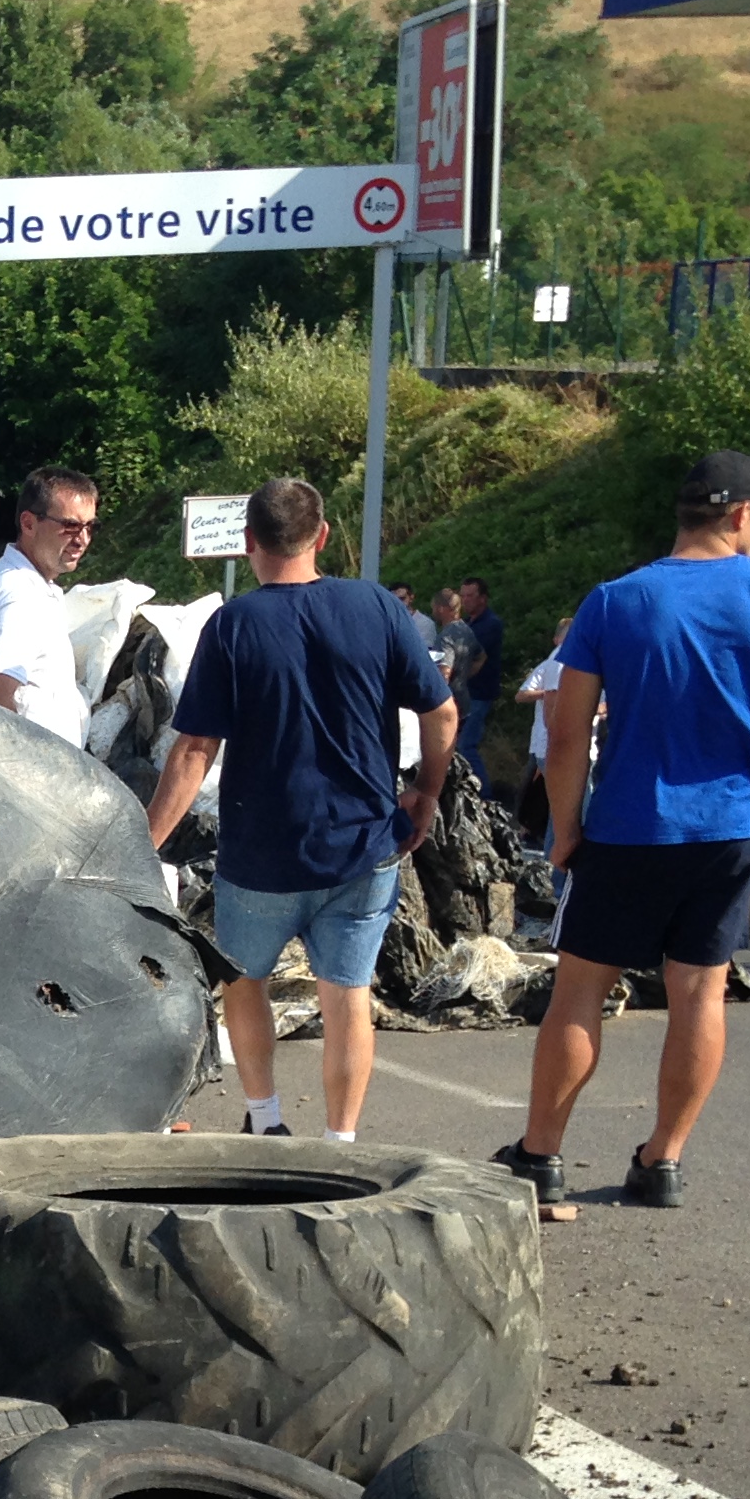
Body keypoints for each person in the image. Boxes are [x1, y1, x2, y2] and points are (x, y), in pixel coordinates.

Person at [495, 451, 750, 1210]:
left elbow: (566, 735)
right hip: (735, 824)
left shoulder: (615, 600)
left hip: (633, 822)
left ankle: (540, 1156)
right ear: (740, 514)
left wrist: (565, 830)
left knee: (580, 993)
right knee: (698, 992)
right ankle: (661, 1162)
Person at [144, 476, 457, 1141]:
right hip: (363, 847)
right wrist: (426, 790)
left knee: (244, 981)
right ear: (323, 536)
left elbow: (195, 748)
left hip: (261, 854)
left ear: (249, 541)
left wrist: (145, 846)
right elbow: (442, 709)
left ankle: (266, 1119)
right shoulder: (375, 607)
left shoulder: (233, 624)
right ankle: (341, 1140)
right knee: (347, 996)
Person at [0, 467, 94, 744]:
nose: (82, 539)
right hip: (32, 779)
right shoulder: (19, 594)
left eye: (89, 527)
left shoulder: (32, 585)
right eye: (70, 525)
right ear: (28, 524)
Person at [512, 613, 574, 845]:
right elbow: (522, 694)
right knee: (554, 802)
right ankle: (532, 835)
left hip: (552, 743)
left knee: (552, 801)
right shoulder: (556, 662)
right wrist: (549, 693)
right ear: (557, 640)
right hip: (546, 741)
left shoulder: (579, 662)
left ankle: (534, 834)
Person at [456, 578, 505, 790]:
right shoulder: (467, 623)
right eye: (463, 596)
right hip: (464, 693)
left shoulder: (491, 624)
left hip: (479, 693)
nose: (465, 600)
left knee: (466, 745)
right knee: (456, 746)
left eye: (470, 596)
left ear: (483, 599)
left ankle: (484, 795)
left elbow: (470, 655)